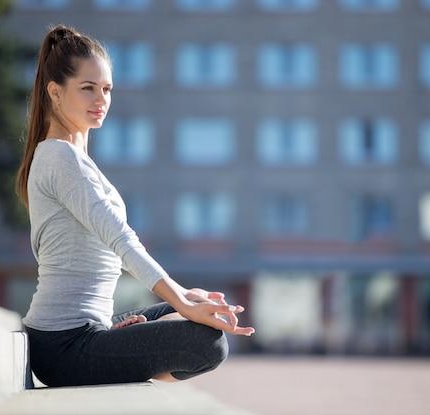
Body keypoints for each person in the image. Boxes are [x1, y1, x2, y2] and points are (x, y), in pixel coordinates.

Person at [15, 25, 254, 388]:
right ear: (55, 92)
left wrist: (188, 297)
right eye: (88, 88)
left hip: (88, 329)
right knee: (207, 344)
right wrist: (183, 303)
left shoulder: (75, 159)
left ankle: (119, 344)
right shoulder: (58, 158)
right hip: (63, 344)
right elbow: (122, 240)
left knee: (198, 314)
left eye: (107, 88)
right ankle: (122, 356)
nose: (101, 99)